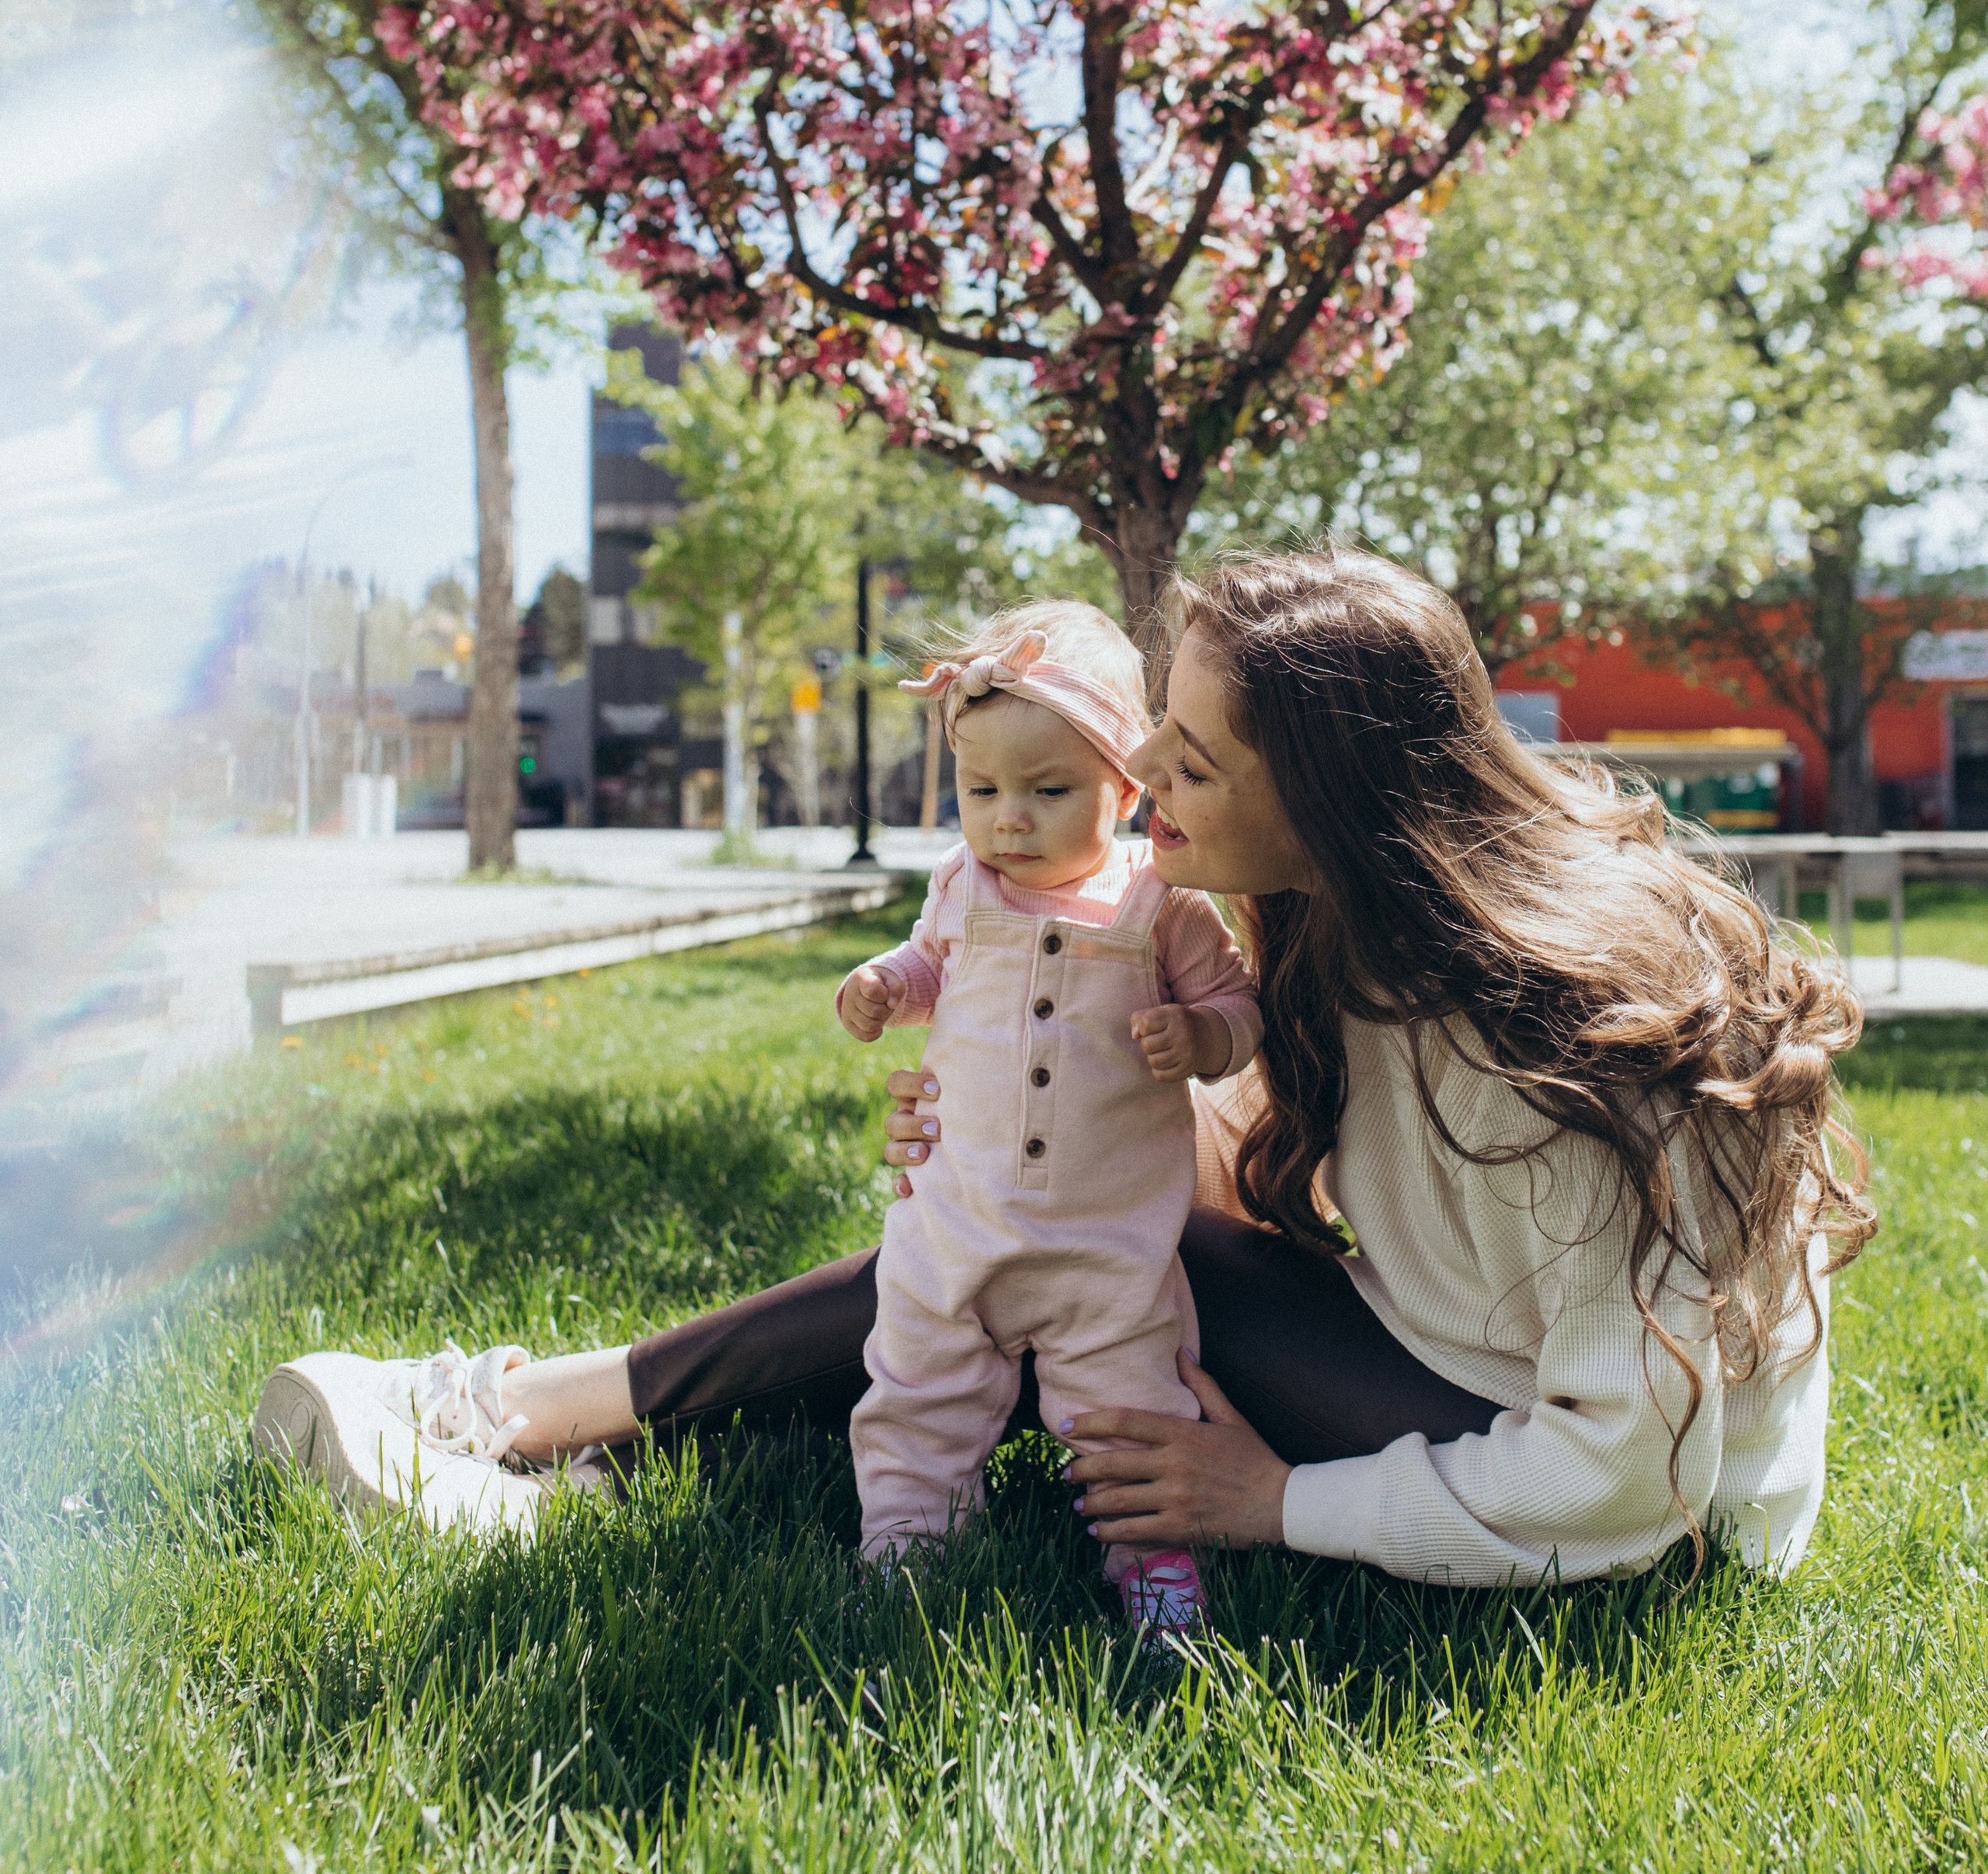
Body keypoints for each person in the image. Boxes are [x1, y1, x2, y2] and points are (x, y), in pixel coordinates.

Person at [255, 548, 1872, 1588]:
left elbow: (1621, 1471)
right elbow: (1235, 1180)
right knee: (1033, 1240)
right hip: (1460, 1376)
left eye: (1190, 757)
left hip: (1636, 1525)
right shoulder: (1341, 928)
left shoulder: (1545, 1041)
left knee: (1091, 1268)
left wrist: (1265, 1502)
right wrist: (1016, 1119)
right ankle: (568, 1437)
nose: (1140, 777)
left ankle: (528, 1422)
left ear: (1327, 789)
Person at [838, 603, 1260, 1636]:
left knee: (1133, 1408)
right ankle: (907, 1540)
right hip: (957, 1223)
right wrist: (886, 985)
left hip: (1106, 1245)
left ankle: (1153, 1560)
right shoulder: (963, 887)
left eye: (1046, 790)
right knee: (917, 1383)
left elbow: (1241, 1010)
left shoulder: (1161, 907)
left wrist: (1202, 1039)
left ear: (1123, 791)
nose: (1007, 819)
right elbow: (931, 966)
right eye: (981, 791)